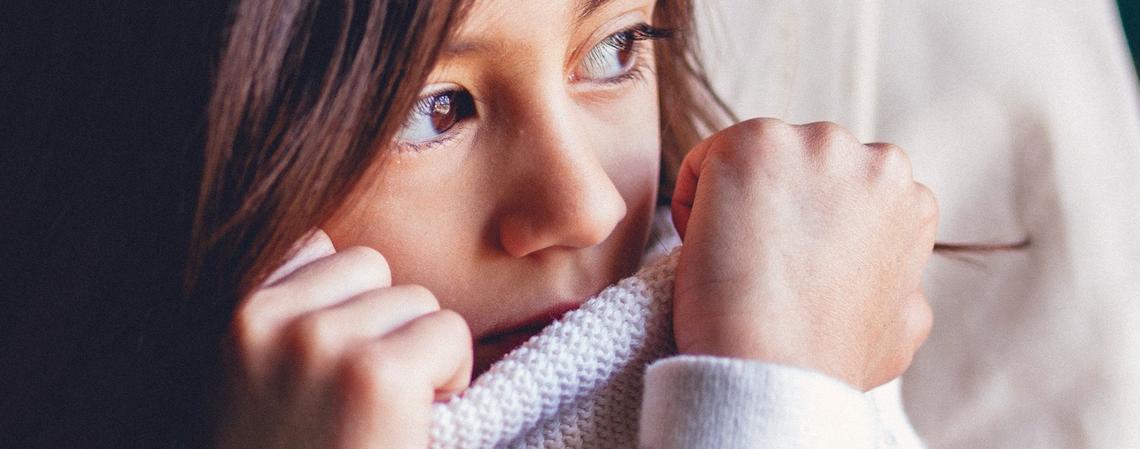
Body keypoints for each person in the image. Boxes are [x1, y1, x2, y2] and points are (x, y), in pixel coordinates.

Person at [163, 0, 935, 447]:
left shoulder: (772, 294)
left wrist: (794, 362)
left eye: (612, 50)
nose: (586, 207)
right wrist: (774, 396)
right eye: (431, 110)